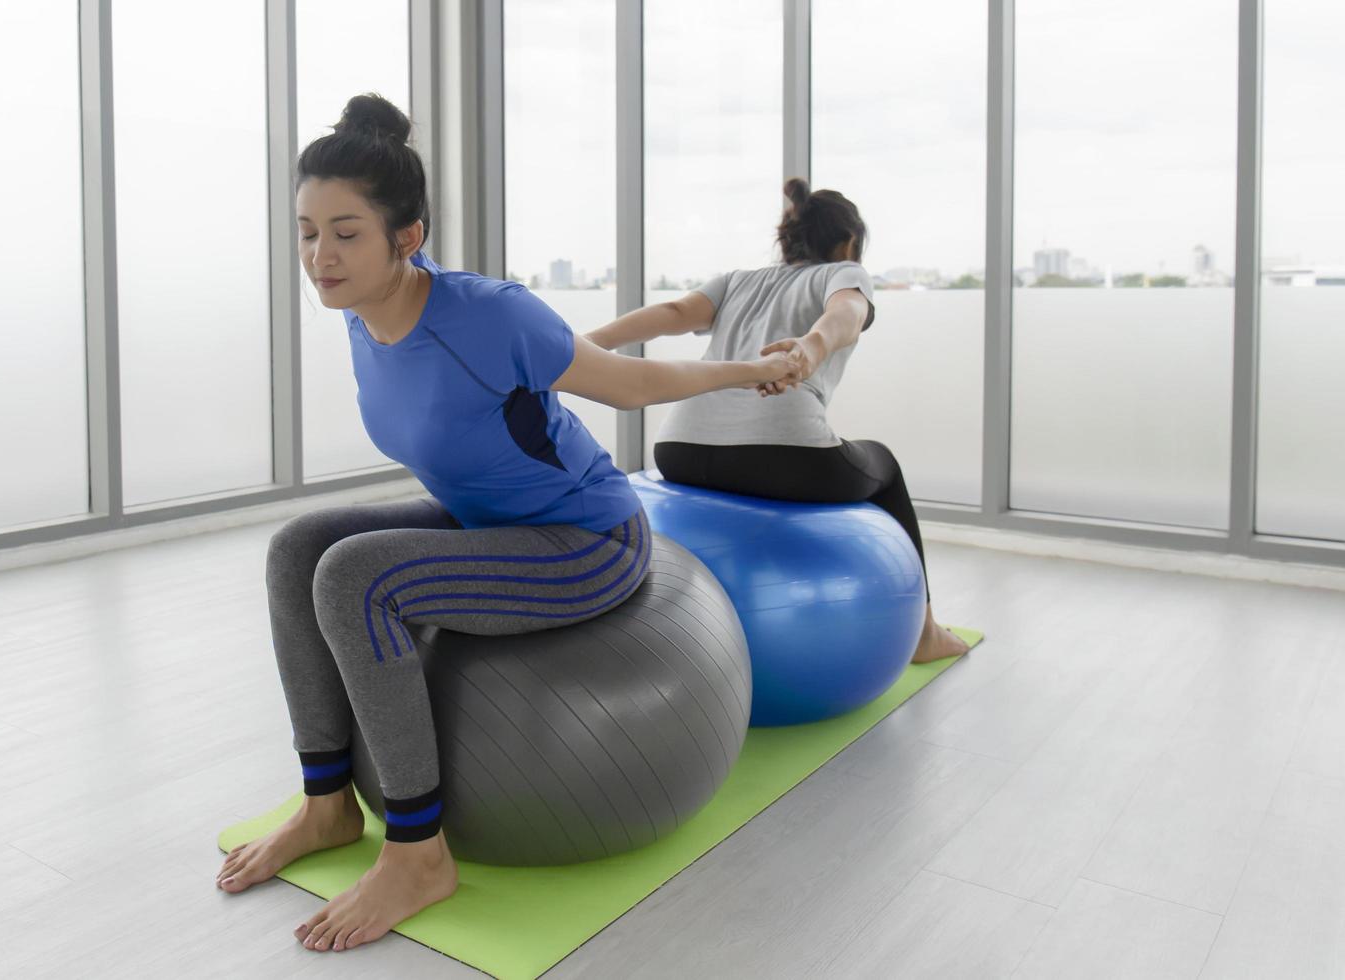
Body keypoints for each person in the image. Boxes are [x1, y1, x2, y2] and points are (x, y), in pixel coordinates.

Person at [213, 94, 799, 953]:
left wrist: (750, 369)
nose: (319, 257)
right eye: (306, 232)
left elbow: (628, 386)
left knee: (353, 576)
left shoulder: (486, 314)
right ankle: (328, 803)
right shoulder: (362, 312)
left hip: (586, 544)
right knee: (298, 548)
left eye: (344, 232)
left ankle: (417, 854)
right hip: (486, 521)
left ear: (405, 238)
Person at [585, 177, 970, 667]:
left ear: (786, 238)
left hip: (680, 449)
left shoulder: (738, 279)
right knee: (885, 466)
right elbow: (846, 313)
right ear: (849, 243)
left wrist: (588, 341)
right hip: (780, 456)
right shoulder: (844, 272)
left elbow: (675, 312)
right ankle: (925, 635)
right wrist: (812, 346)